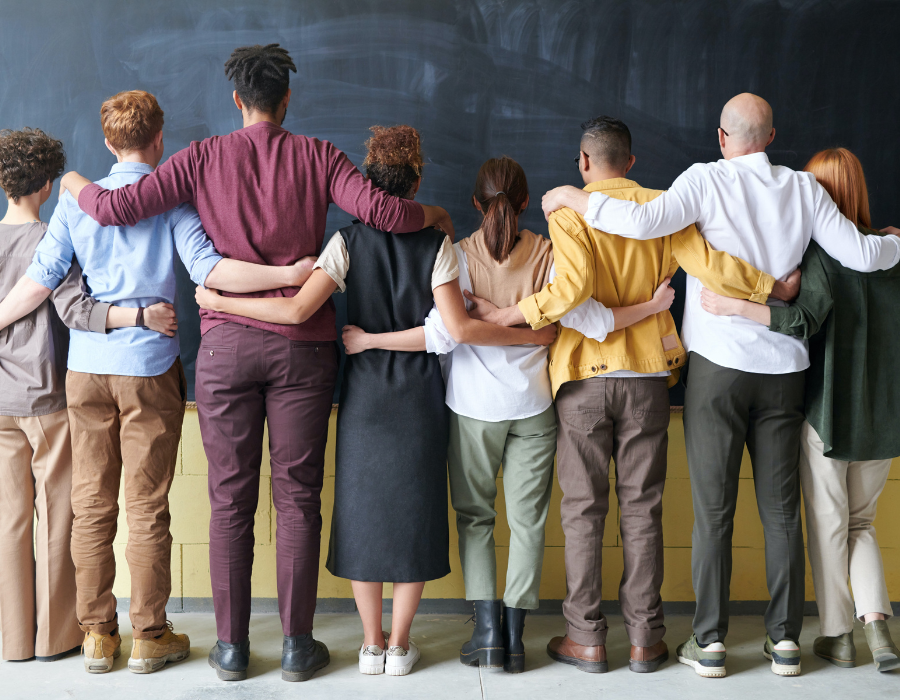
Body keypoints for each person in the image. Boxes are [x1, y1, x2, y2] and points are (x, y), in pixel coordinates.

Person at [60, 45, 455, 682]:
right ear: (287, 99)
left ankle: (231, 650)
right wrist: (434, 215)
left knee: (229, 501)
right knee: (298, 499)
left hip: (224, 348)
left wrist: (74, 181)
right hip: (302, 351)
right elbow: (383, 213)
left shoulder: (198, 158)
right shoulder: (320, 157)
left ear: (237, 101)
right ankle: (298, 647)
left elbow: (115, 209)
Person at [541, 95, 900, 677]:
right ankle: (785, 643)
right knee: (781, 512)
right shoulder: (804, 189)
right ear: (772, 136)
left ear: (722, 137)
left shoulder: (704, 180)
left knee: (714, 511)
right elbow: (861, 253)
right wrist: (896, 243)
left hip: (717, 368)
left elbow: (640, 221)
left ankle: (708, 642)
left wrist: (573, 198)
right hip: (785, 370)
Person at [195, 126, 555, 677]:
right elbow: (453, 327)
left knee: (363, 514)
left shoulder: (345, 242)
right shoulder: (436, 243)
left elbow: (295, 313)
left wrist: (220, 300)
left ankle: (369, 644)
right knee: (412, 515)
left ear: (366, 183)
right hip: (418, 395)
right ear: (416, 181)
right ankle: (400, 644)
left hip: (363, 395)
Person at [461, 116, 794, 675]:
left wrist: (508, 314)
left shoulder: (568, 213)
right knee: (643, 510)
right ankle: (646, 640)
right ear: (632, 163)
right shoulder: (663, 207)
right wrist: (770, 288)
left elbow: (568, 293)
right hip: (646, 377)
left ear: (584, 162)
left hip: (584, 380)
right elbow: (710, 267)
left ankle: (585, 639)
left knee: (582, 512)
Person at [6, 92, 313, 675]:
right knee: (147, 506)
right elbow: (211, 270)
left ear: (107, 142)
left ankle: (97, 638)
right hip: (148, 369)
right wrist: (289, 274)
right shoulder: (172, 202)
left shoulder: (74, 203)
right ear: (159, 140)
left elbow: (40, 281)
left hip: (85, 370)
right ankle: (150, 635)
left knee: (90, 505)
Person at [343, 154, 675, 674]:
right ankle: (516, 638)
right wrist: (536, 332)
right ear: (525, 203)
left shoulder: (454, 253)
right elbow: (575, 323)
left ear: (475, 203)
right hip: (535, 405)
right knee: (529, 523)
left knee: (476, 519)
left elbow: (440, 334)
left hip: (472, 409)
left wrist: (376, 340)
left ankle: (489, 635)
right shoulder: (549, 252)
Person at [699, 147, 900, 674]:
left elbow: (801, 319)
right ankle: (876, 626)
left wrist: (735, 306)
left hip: (828, 413)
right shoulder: (891, 252)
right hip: (884, 418)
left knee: (830, 525)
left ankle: (836, 635)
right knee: (862, 523)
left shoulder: (821, 257)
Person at [0, 127, 175, 663]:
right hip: (63, 388)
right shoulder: (64, 228)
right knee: (88, 512)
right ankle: (89, 636)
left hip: (23, 391)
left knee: (27, 517)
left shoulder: (49, 221)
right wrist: (141, 315)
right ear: (48, 184)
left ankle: (36, 638)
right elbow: (75, 307)